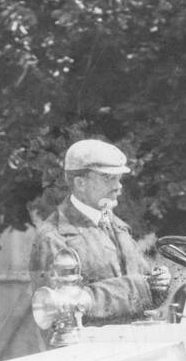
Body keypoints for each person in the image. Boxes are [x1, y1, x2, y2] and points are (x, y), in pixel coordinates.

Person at [28, 139, 171, 345]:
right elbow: (59, 315)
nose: (118, 186)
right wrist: (139, 287)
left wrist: (158, 282)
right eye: (108, 178)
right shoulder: (53, 238)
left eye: (119, 178)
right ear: (80, 183)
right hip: (88, 360)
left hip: (132, 353)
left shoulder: (118, 227)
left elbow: (145, 286)